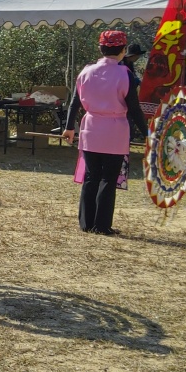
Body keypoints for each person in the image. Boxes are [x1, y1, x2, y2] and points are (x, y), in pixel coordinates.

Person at [62, 30, 149, 235]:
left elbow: (74, 102)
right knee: (108, 178)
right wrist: (147, 133)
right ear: (123, 51)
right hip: (115, 128)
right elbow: (134, 108)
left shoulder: (86, 71)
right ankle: (102, 225)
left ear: (101, 48)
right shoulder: (124, 73)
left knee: (91, 176)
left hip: (91, 127)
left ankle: (86, 222)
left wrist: (69, 127)